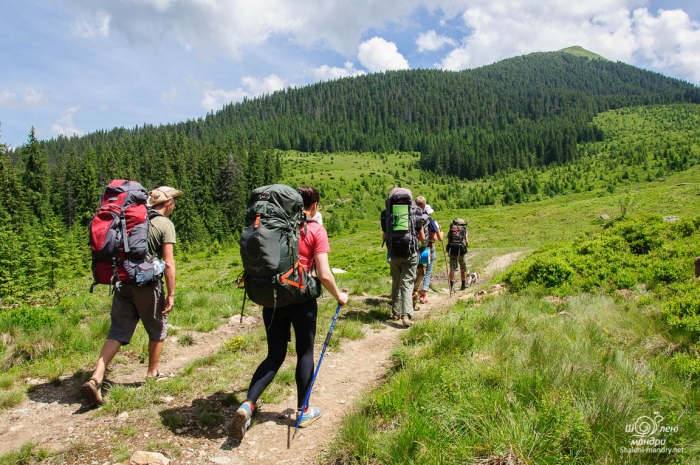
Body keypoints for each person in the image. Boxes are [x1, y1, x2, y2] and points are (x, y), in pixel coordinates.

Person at [230, 186, 348, 442]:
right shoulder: (315, 230)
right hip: (302, 300)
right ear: (314, 205)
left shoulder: (276, 228)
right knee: (304, 352)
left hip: (272, 298)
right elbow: (325, 274)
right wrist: (340, 296)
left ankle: (248, 405)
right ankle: (302, 410)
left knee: (274, 356)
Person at [82, 186, 182, 406]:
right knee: (157, 328)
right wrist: (172, 293)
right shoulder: (164, 224)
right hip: (147, 284)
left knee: (117, 331)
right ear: (168, 204)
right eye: (173, 202)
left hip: (122, 280)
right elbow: (169, 263)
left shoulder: (130, 219)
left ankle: (96, 377)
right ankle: (152, 375)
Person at [382, 190, 425, 327]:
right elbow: (422, 237)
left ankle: (395, 312)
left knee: (396, 281)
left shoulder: (386, 213)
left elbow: (384, 235)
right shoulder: (416, 211)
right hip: (410, 252)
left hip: (394, 252)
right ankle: (406, 315)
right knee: (407, 282)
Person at [414, 199, 443, 304]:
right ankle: (423, 294)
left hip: (417, 248)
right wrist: (442, 233)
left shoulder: (416, 219)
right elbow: (438, 238)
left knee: (418, 270)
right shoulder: (431, 221)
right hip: (429, 248)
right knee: (427, 271)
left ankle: (414, 291)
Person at [447, 218, 470, 292]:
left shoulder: (452, 228)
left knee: (452, 269)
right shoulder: (464, 229)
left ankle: (451, 287)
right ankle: (463, 284)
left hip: (452, 250)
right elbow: (467, 241)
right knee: (463, 267)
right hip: (461, 250)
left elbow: (449, 239)